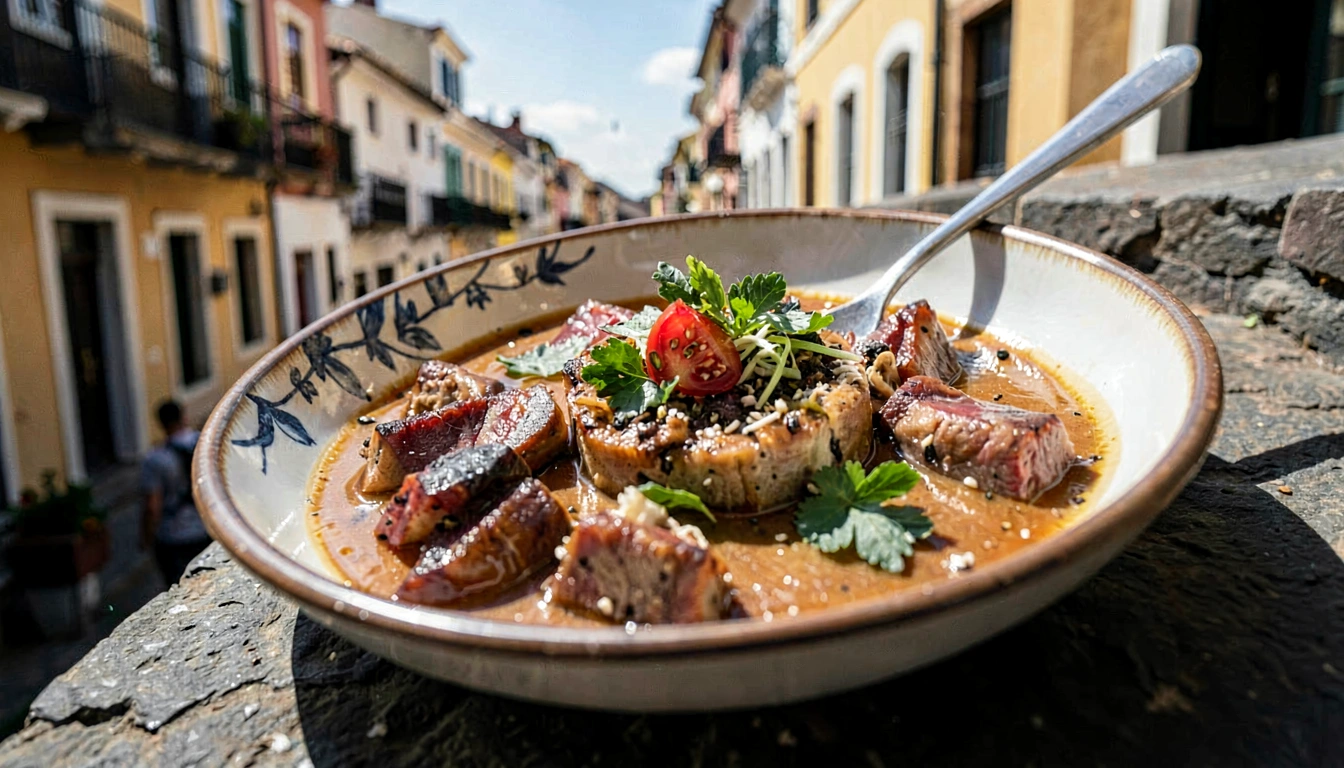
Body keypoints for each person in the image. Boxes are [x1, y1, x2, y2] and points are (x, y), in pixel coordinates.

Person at [140, 400, 212, 585]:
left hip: (173, 536)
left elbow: (152, 507)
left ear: (161, 423)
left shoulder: (155, 459)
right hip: (208, 527)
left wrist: (146, 538)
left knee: (181, 588)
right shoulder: (207, 442)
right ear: (184, 416)